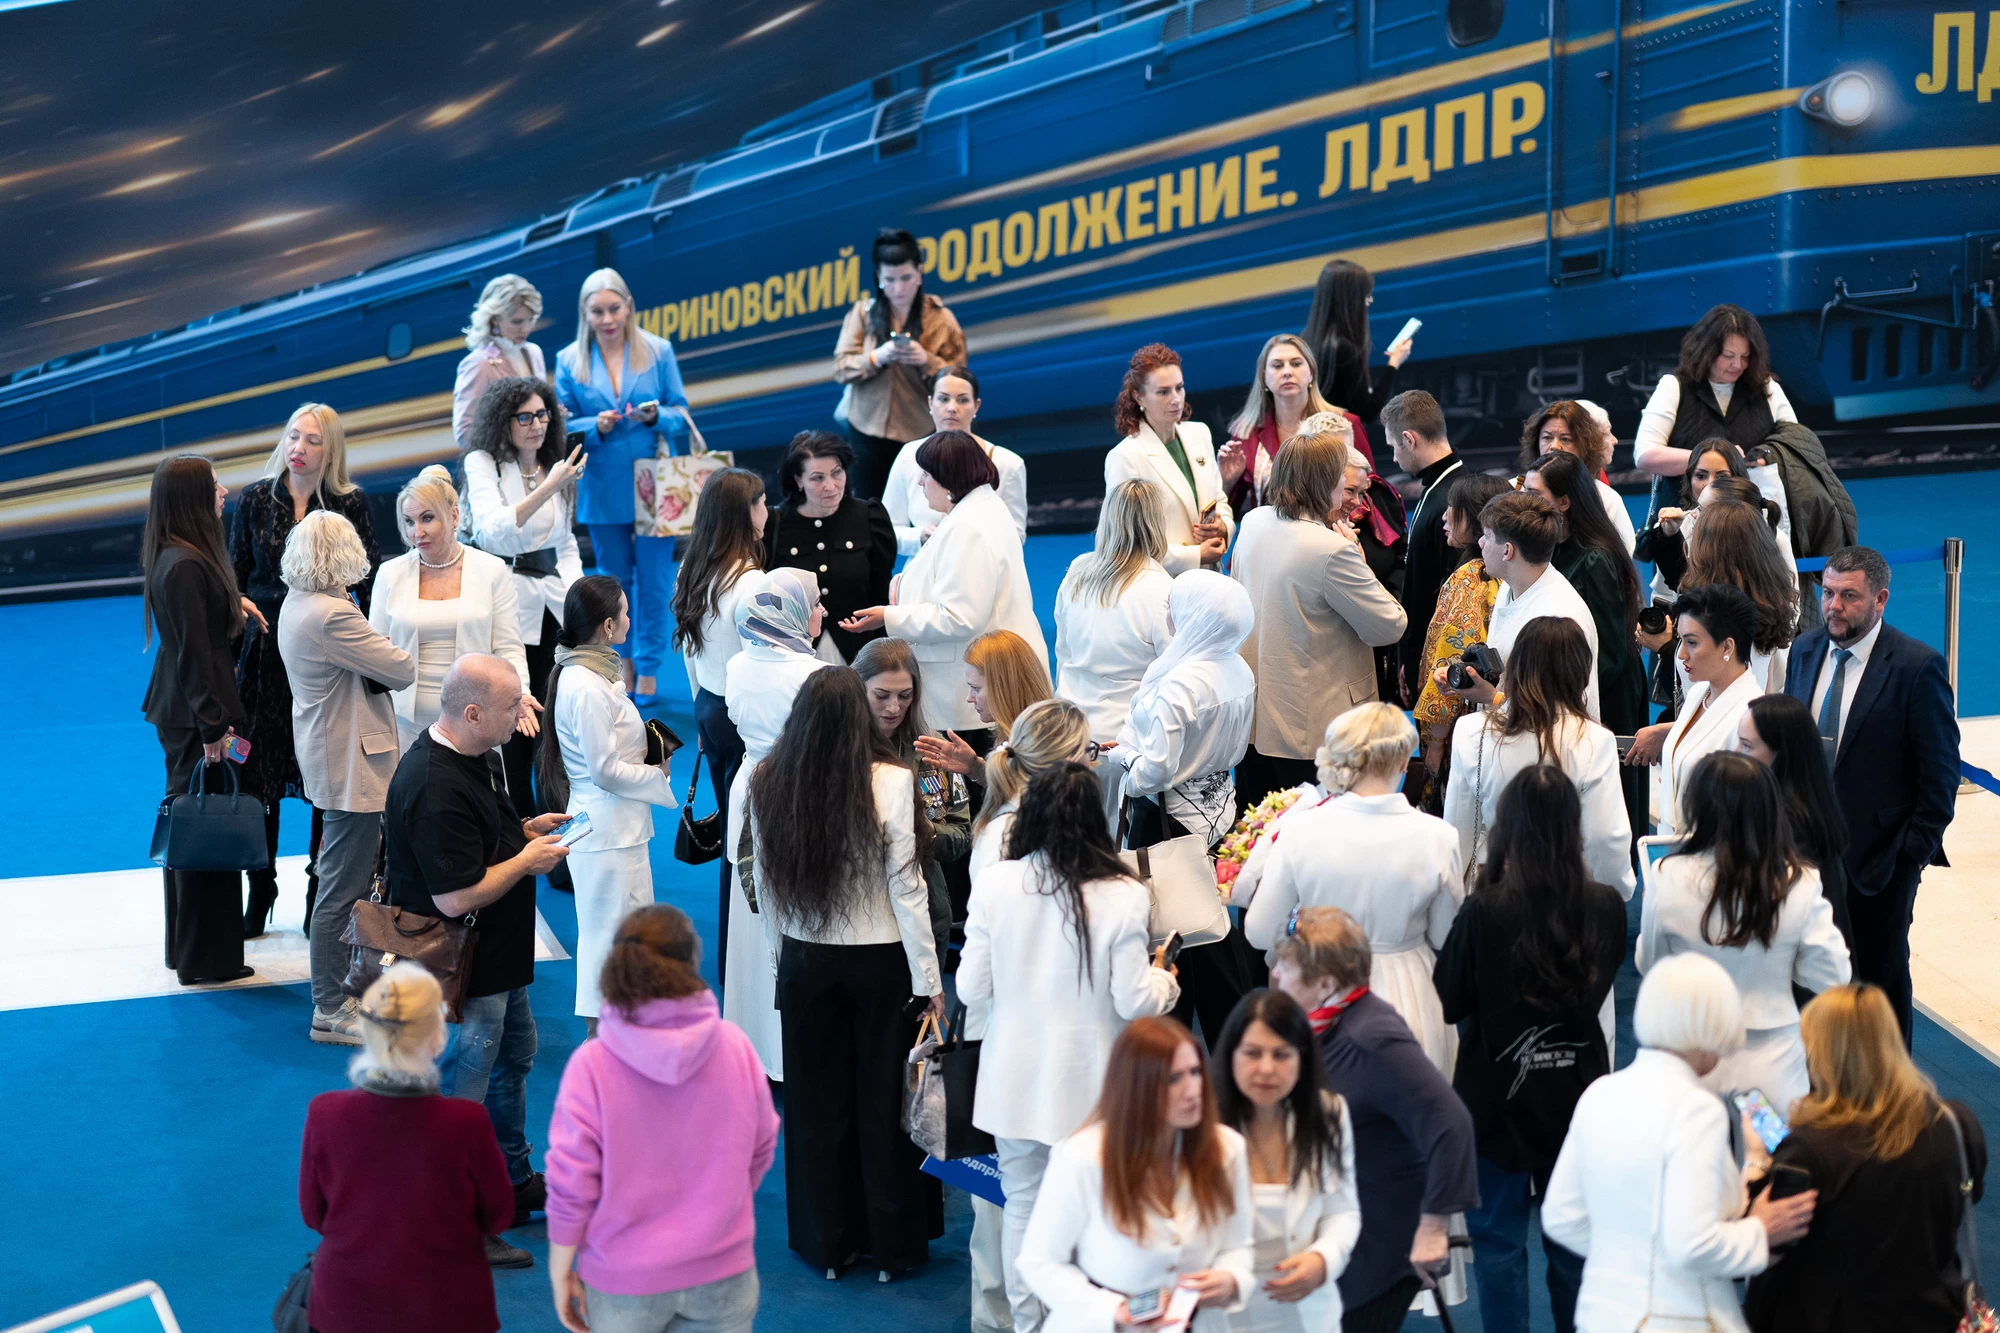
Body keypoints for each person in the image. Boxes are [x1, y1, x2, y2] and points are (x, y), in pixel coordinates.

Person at [960, 763, 1183, 1333]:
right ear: (1094, 819)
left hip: (1012, 1077)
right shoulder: (1123, 894)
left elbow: (970, 989)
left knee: (1022, 1204)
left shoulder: (997, 884)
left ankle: (1028, 1325)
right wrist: (1166, 980)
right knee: (1096, 1211)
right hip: (1094, 1085)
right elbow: (1135, 1000)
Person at [749, 667, 944, 1280]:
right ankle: (892, 1248)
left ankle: (826, 1246)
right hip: (882, 963)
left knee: (814, 1106)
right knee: (888, 1105)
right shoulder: (893, 780)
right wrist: (930, 981)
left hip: (804, 962)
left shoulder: (767, 779)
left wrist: (781, 959)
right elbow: (907, 889)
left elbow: (765, 885)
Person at [383, 653, 575, 1267]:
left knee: (513, 1060)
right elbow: (454, 896)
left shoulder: (480, 753)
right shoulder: (433, 787)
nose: (524, 712)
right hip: (460, 962)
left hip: (495, 954)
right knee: (462, 1087)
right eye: (512, 704)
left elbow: (483, 835)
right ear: (472, 713)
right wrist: (526, 861)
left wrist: (523, 831)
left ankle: (510, 1183)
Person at [1434, 766, 1625, 1333]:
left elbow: (1450, 1000)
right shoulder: (1606, 905)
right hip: (1578, 1098)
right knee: (1575, 1251)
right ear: (1573, 827)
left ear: (1507, 827)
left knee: (1498, 1250)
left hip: (1495, 1100)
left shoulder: (1484, 911)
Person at [1541, 953, 1818, 1333]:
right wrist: (1759, 1231)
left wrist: (1632, 1262)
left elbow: (1561, 1217)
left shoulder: (1599, 1094)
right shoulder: (1696, 1111)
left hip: (1602, 1316)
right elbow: (1692, 1244)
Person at [545, 905, 778, 1333]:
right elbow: (761, 1147)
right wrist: (719, 1205)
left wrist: (561, 1268)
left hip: (623, 1278)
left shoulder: (592, 1065)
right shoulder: (735, 1047)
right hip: (722, 1269)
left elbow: (571, 1179)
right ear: (691, 963)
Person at [1269, 908, 1478, 1332]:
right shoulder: (1322, 1023)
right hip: (1337, 1225)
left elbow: (1451, 1123)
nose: (1274, 974)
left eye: (1286, 968)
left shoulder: (1371, 1037)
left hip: (1373, 1249)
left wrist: (1433, 1228)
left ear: (1326, 984)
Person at [1783, 546, 1958, 1047]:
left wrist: (1909, 857)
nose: (1833, 606)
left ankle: (1891, 1086)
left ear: (1880, 599)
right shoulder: (1805, 650)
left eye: (1849, 596)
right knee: (1809, 979)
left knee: (1880, 987)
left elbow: (1940, 775)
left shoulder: (1917, 667)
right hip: (1804, 856)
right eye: (1828, 593)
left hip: (1879, 866)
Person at [1742, 983, 1989, 1333]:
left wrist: (1756, 1160)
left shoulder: (1809, 1150)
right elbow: (1966, 1196)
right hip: (1934, 1317)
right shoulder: (1955, 1124)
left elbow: (1765, 1242)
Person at [1245, 705, 1464, 1076]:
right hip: (1408, 988)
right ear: (1402, 762)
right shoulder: (1439, 836)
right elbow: (1445, 934)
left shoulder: (1300, 831)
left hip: (1321, 985)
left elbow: (1259, 932)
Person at [298, 963, 515, 1333]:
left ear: (367, 1031)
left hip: (346, 1305)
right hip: (446, 1305)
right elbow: (498, 1215)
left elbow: (313, 1215)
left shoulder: (324, 1113)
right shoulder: (467, 1122)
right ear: (438, 1037)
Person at [229, 402, 378, 936]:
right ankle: (261, 884)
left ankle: (322, 888)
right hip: (265, 657)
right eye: (294, 436)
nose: (299, 447)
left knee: (325, 773)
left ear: (329, 449)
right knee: (259, 777)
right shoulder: (254, 500)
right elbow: (234, 577)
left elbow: (368, 579)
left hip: (325, 656)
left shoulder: (349, 503)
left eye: (312, 440)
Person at [1639, 752, 1851, 1114]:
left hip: (1696, 1066)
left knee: (1701, 1148)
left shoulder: (1666, 875)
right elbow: (1835, 974)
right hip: (1772, 1074)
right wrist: (1785, 962)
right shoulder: (1798, 881)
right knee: (1769, 1149)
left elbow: (1651, 964)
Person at [1016, 1016, 1255, 1332]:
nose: (1192, 1091)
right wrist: (1114, 1310)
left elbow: (1239, 1245)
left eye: (1195, 1072)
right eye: (1173, 1079)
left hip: (1200, 1322)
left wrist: (1231, 1277)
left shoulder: (1227, 1149)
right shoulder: (1082, 1157)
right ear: (1136, 1087)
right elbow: (1039, 1262)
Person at [275, 511, 415, 1046]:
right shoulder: (333, 614)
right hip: (352, 764)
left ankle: (341, 996)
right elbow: (400, 668)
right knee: (341, 889)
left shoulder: (298, 602)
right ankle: (330, 1008)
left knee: (342, 882)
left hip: (333, 754)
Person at [1109, 571, 1258, 1040]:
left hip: (1168, 821)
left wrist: (1122, 756)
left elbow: (1151, 775)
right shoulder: (1238, 667)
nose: (1168, 613)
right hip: (1221, 810)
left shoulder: (1179, 684)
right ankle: (1227, 1040)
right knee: (1208, 927)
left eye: (1175, 604)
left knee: (1170, 935)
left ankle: (1173, 1042)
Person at [1231, 429, 1406, 809]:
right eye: (1341, 477)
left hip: (1254, 724)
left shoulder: (1254, 522)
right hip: (1312, 731)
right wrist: (1359, 559)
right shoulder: (1333, 549)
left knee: (1259, 831)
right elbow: (1389, 625)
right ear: (1324, 482)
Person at [842, 430, 1048, 738]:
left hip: (970, 696)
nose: (920, 482)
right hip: (986, 682)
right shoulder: (980, 509)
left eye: (926, 474)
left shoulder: (969, 527)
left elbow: (959, 617)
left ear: (948, 477)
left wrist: (889, 616)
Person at [542, 576, 677, 1027]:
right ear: (606, 626)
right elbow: (603, 770)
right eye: (625, 613)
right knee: (607, 943)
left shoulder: (590, 673)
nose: (630, 620)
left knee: (625, 939)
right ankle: (599, 1042)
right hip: (606, 834)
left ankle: (618, 1035)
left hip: (615, 829)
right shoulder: (586, 686)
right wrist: (656, 775)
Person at [553, 267, 692, 701]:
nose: (608, 318)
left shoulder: (658, 349)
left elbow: (680, 412)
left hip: (655, 484)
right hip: (601, 485)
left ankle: (649, 665)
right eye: (598, 311)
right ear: (585, 313)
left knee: (655, 581)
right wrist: (593, 425)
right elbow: (561, 426)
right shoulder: (568, 359)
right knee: (612, 584)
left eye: (614, 308)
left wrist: (656, 416)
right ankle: (622, 660)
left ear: (629, 306)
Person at [142, 455, 255, 986]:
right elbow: (192, 653)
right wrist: (214, 728)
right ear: (191, 498)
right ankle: (205, 958)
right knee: (204, 830)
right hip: (197, 716)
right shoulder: (185, 563)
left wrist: (234, 605)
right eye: (213, 485)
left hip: (187, 711)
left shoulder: (177, 557)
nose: (224, 491)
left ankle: (190, 951)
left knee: (192, 828)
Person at [722, 568, 833, 1079]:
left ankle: (751, 1045)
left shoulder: (738, 664)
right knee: (796, 915)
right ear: (792, 613)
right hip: (797, 796)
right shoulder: (814, 676)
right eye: (815, 603)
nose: (822, 612)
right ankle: (790, 1052)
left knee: (751, 919)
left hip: (750, 791)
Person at [1444, 617, 1635, 914]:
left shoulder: (1471, 731)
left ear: (1516, 667)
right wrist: (1616, 891)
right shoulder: (1596, 740)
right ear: (1581, 673)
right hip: (1568, 899)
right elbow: (1605, 837)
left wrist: (1456, 907)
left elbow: (1458, 828)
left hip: (1494, 892)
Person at [461, 376, 586, 820]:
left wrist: (577, 597)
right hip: (506, 601)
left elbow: (565, 542)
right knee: (512, 716)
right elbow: (492, 531)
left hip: (554, 603)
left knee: (553, 721)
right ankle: (519, 825)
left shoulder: (557, 464)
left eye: (543, 415)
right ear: (504, 421)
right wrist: (550, 486)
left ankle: (559, 825)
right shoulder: (484, 462)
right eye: (525, 417)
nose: (537, 425)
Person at [1210, 990, 1361, 1333]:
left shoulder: (1329, 1113)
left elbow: (1343, 1211)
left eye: (1281, 1054)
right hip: (1222, 1315)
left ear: (1302, 1057)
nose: (1266, 1069)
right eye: (1252, 1053)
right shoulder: (1202, 1125)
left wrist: (1322, 1260)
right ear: (1231, 1055)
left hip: (1309, 1313)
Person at [672, 465, 768, 986]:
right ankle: (746, 961)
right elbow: (765, 663)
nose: (767, 511)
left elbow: (689, 655)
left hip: (710, 707)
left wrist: (701, 710)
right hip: (744, 717)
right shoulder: (750, 582)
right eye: (761, 502)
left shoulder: (693, 569)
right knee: (750, 837)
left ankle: (736, 955)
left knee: (737, 831)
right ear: (741, 514)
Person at [1523, 450, 1649, 840]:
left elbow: (1608, 651)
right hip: (1579, 691)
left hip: (1607, 696)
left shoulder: (1595, 558)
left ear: (1564, 502)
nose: (1524, 502)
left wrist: (1564, 697)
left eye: (1534, 494)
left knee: (1611, 808)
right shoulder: (1555, 550)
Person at [369, 466, 534, 755]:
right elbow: (375, 651)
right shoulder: (389, 573)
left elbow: (508, 647)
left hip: (476, 722)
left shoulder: (492, 569)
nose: (417, 532)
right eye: (408, 522)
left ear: (454, 516)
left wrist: (520, 694)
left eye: (427, 518)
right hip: (404, 723)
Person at [855, 636, 971, 959]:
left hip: (926, 918)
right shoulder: (834, 751)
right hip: (857, 921)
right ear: (857, 689)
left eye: (904, 696)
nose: (894, 708)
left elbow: (962, 834)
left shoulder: (934, 751)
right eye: (882, 696)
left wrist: (924, 832)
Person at [833, 227, 968, 499]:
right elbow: (841, 368)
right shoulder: (863, 313)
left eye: (906, 277)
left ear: (919, 272)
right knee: (869, 505)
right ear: (878, 277)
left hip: (920, 429)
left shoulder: (941, 319)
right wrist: (875, 358)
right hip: (867, 427)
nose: (898, 288)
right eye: (889, 280)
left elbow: (960, 378)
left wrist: (926, 360)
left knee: (921, 504)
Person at [1627, 583, 1765, 834]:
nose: (1681, 654)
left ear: (1727, 647)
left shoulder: (1749, 720)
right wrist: (1666, 731)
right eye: (1680, 640)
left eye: (1691, 642)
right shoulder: (1699, 693)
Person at [1451, 490, 1600, 719]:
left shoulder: (1560, 616)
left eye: (1487, 536)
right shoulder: (1509, 587)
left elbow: (1560, 716)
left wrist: (1492, 698)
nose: (1480, 543)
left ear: (1507, 551)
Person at [1410, 473, 1510, 805]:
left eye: (1454, 507)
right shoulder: (1504, 572)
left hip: (1462, 729)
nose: (1445, 516)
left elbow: (1452, 664)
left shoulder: (1470, 579)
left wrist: (1437, 741)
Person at [1054, 478, 1175, 744]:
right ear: (1157, 523)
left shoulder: (1076, 571)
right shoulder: (1164, 589)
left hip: (1069, 730)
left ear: (1106, 518)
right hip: (1127, 740)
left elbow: (1063, 654)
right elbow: (1173, 678)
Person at [763, 430, 897, 663]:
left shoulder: (869, 516)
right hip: (796, 653)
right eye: (817, 478)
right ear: (798, 480)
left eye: (837, 473)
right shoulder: (774, 523)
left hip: (860, 650)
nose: (830, 486)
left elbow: (880, 591)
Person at [1105, 343, 1235, 574]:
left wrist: (1222, 527)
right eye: (1163, 392)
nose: (1176, 399)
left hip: (1210, 578)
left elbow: (1219, 500)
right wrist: (1195, 555)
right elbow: (1125, 544)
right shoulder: (1124, 457)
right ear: (1139, 397)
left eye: (1179, 388)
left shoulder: (1200, 433)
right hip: (1163, 584)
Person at [1738, 694, 1853, 949]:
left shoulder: (1791, 830)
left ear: (1781, 753)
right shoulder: (1799, 808)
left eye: (1746, 746)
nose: (1735, 754)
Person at [1634, 304, 1799, 476]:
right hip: (1686, 495)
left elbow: (1798, 446)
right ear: (1706, 352)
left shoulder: (1766, 387)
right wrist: (1716, 457)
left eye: (1746, 356)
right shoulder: (1673, 387)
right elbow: (1645, 455)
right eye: (1728, 356)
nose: (1738, 365)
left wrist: (1766, 455)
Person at [883, 364, 1028, 553]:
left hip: (980, 567)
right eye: (943, 399)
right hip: (924, 567)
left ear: (976, 406)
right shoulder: (909, 456)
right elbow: (886, 529)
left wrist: (970, 543)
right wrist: (919, 537)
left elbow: (1015, 536)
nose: (952, 408)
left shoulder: (1007, 463)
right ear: (930, 403)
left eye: (963, 400)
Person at [1382, 390, 1464, 704]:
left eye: (1393, 447)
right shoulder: (1444, 489)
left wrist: (1416, 658)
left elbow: (1447, 596)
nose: (1394, 458)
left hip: (1438, 668)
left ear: (1409, 439)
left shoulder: (1447, 500)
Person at [1677, 496, 1800, 692]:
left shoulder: (1714, 619)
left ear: (1708, 552)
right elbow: (1766, 691)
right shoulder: (1767, 608)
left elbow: (1709, 703)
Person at [969, 698, 1097, 880]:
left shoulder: (1050, 812)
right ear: (1069, 758)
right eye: (1088, 750)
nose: (1091, 764)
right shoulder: (1006, 836)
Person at [1219, 333, 1344, 513]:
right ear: (1264, 377)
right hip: (1267, 531)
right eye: (1277, 366)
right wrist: (1227, 483)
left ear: (1311, 373)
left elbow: (1367, 492)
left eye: (1296, 363)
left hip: (1331, 529)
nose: (1287, 372)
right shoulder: (1246, 433)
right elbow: (1230, 510)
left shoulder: (1343, 424)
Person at [1300, 258, 1415, 427]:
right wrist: (1394, 363)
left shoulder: (1304, 341)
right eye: (1366, 296)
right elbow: (1368, 411)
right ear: (1351, 300)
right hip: (1338, 438)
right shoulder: (1344, 349)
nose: (1369, 302)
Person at [1518, 400, 1635, 553]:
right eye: (1547, 437)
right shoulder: (1515, 488)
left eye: (1565, 439)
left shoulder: (1606, 499)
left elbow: (1623, 557)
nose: (1554, 446)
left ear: (1584, 446)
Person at [453, 274, 548, 450]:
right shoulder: (478, 364)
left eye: (531, 320)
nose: (526, 328)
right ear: (494, 319)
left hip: (538, 458)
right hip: (502, 462)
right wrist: (507, 448)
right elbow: (464, 433)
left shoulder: (534, 352)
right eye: (517, 321)